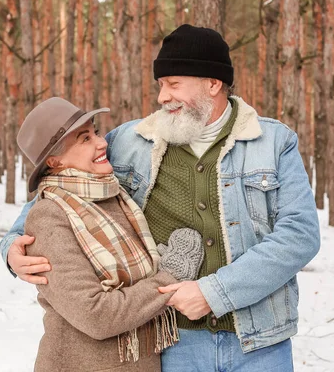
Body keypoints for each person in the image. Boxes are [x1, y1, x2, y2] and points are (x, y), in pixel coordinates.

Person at [1, 24, 321, 371]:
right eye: (160, 85)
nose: (161, 97)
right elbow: (56, 194)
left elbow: (299, 234)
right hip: (173, 342)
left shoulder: (273, 142)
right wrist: (11, 247)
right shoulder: (131, 141)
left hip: (259, 343)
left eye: (173, 84)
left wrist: (215, 292)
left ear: (212, 83)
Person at [13, 97, 205, 372]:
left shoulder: (114, 197)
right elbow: (96, 315)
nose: (102, 143)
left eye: (96, 132)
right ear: (55, 161)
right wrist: (169, 277)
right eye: (84, 139)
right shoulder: (49, 216)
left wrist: (161, 261)